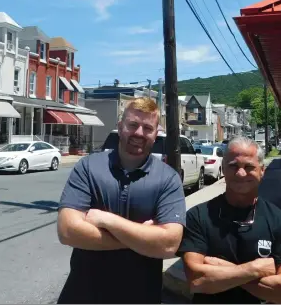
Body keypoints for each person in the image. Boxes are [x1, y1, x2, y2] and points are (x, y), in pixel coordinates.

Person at [57, 98, 186, 304]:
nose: (139, 133)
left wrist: (108, 221)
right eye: (133, 125)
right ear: (120, 126)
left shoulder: (168, 178)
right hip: (81, 295)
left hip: (141, 297)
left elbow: (169, 244)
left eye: (148, 128)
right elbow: (68, 231)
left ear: (156, 133)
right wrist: (143, 239)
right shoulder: (88, 167)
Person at [178, 136, 281, 304]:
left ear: (262, 171)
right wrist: (255, 269)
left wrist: (224, 269)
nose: (240, 173)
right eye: (233, 166)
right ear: (223, 168)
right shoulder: (198, 216)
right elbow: (197, 281)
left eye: (249, 167)